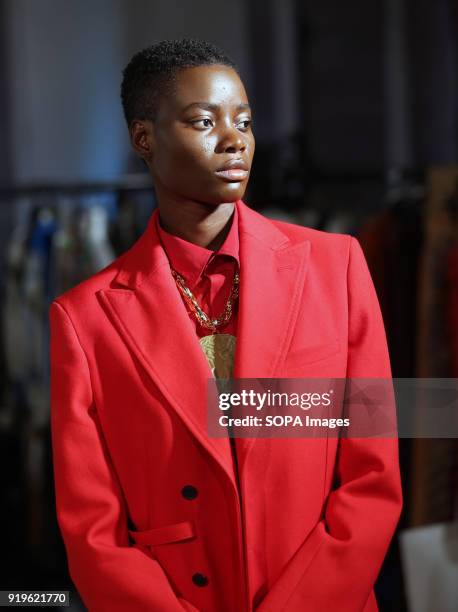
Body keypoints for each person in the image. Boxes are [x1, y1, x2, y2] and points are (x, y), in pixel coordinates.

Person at [49, 38, 403, 612]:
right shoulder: (84, 317)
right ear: (145, 139)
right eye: (202, 121)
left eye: (243, 120)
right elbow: (93, 528)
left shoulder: (335, 266)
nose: (234, 138)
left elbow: (372, 475)